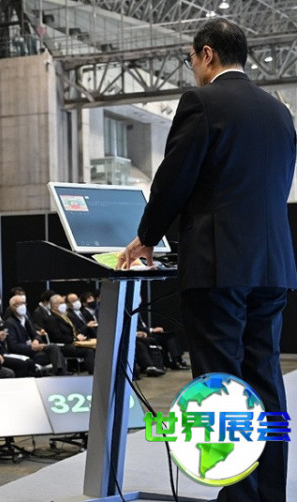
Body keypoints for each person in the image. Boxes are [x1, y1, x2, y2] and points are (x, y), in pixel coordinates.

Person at [118, 19, 296, 502]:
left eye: (191, 59)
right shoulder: (280, 112)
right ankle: (268, 494)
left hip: (218, 265)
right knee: (264, 380)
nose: (192, 68)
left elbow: (175, 177)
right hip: (273, 266)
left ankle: (238, 496)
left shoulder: (201, 101)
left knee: (222, 385)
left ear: (207, 54)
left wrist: (146, 237)